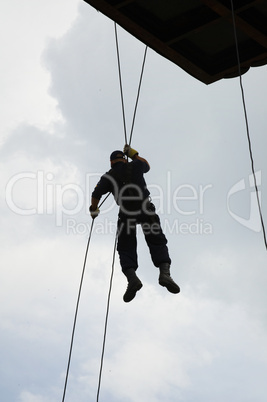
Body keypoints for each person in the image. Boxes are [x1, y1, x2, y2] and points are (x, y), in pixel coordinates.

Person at [89, 145, 180, 302]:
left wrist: (94, 209)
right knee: (156, 240)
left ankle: (132, 279)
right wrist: (133, 154)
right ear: (124, 159)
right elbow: (147, 165)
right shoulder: (136, 165)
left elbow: (96, 194)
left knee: (126, 247)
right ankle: (165, 274)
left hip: (126, 213)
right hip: (145, 208)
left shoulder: (107, 177)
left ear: (111, 163)